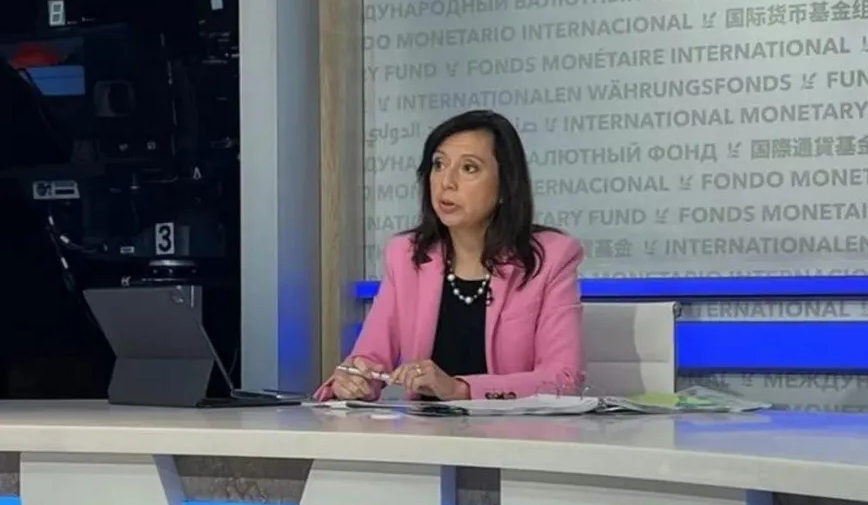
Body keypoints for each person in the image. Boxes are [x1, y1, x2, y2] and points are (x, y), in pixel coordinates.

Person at [315, 109, 584, 401]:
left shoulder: (550, 258)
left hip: (512, 428)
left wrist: (460, 390)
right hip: (425, 428)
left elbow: (564, 379)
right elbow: (369, 357)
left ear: (505, 186)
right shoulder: (406, 256)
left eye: (469, 168)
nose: (447, 182)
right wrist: (354, 380)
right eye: (439, 164)